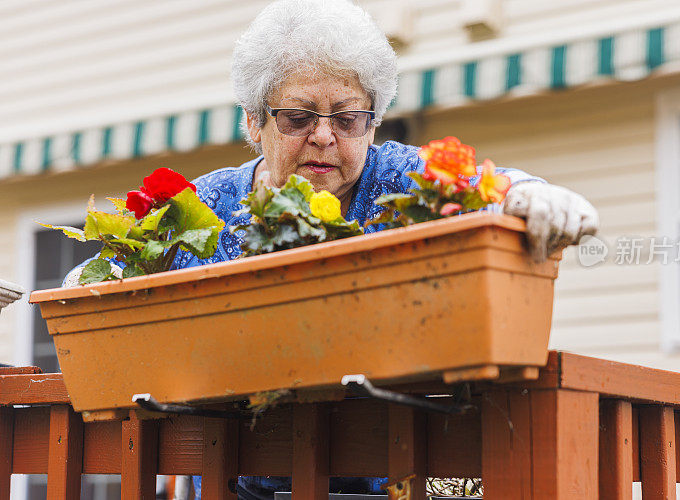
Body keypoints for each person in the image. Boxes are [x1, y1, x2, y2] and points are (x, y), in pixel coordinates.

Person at [70, 0, 599, 496]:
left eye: (347, 119)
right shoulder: (206, 205)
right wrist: (84, 286)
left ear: (372, 124)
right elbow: (110, 278)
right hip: (235, 477)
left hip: (387, 474)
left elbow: (490, 186)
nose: (324, 136)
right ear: (254, 122)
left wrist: (532, 195)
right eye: (298, 118)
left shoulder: (399, 178)